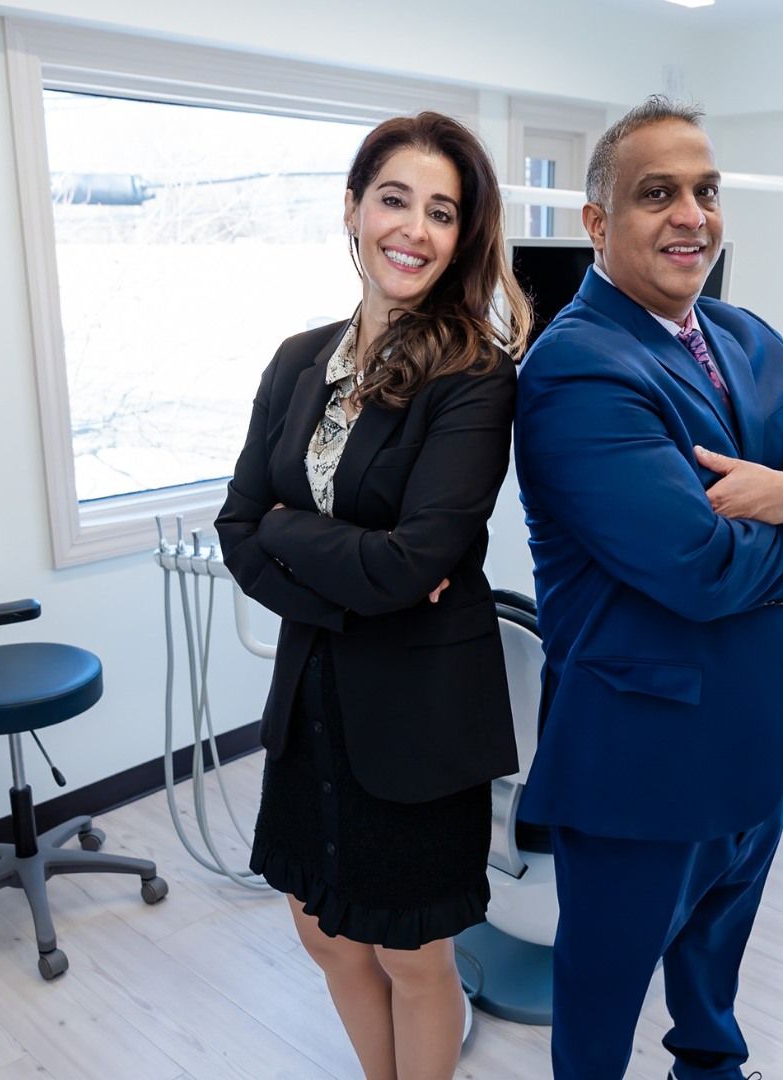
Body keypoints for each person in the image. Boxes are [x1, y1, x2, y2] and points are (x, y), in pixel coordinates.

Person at [513, 96, 783, 1080]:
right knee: (601, 1007)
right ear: (597, 222)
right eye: (657, 194)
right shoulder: (576, 369)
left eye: (706, 191)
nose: (692, 215)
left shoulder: (746, 337)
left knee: (714, 975)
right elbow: (701, 567)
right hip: (644, 760)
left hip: (757, 730)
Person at [215, 112, 531, 1080]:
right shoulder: (297, 360)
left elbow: (415, 559)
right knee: (325, 934)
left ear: (461, 236)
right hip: (313, 701)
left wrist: (289, 533)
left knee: (413, 955)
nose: (415, 229)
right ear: (353, 208)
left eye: (442, 211)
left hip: (418, 719)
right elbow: (237, 528)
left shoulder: (474, 376)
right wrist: (351, 575)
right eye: (395, 199)